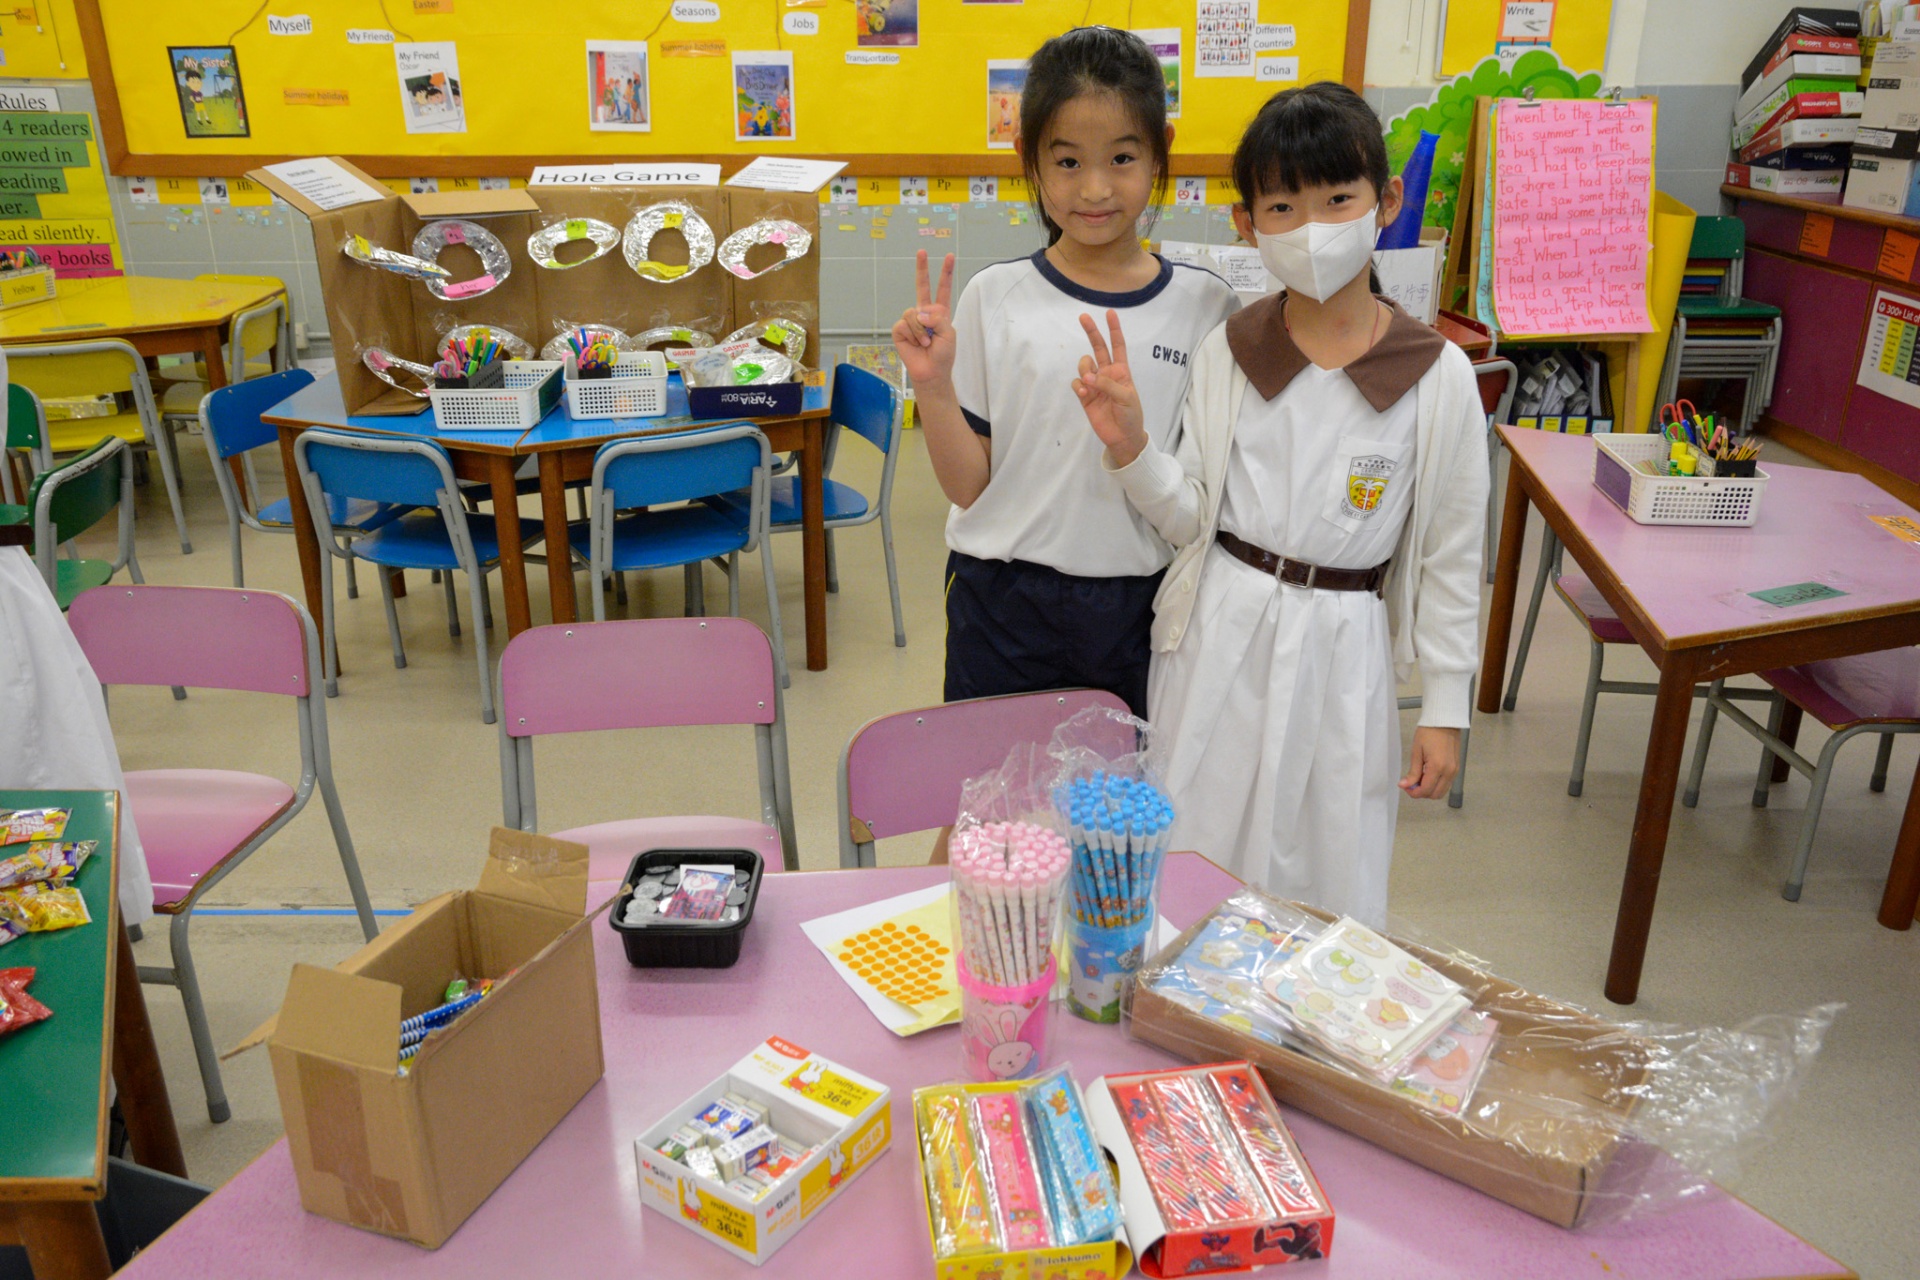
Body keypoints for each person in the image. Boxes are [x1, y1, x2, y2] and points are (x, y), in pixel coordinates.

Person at [1071, 82, 1487, 924]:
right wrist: (1132, 448)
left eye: (1338, 200)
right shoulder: (1232, 350)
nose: (1312, 229)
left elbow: (1453, 554)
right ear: (1247, 224)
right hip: (1223, 628)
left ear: (1387, 201)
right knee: (1197, 847)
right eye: (1283, 208)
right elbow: (1191, 518)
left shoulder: (1435, 374)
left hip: (1345, 644)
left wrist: (1446, 708)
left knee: (1331, 859)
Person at [892, 26, 1238, 732]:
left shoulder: (1206, 307)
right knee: (990, 788)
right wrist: (933, 387)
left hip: (1140, 606)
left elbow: (1203, 499)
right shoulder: (995, 297)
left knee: (1121, 795)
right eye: (1069, 161)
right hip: (1001, 603)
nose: (1096, 188)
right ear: (1030, 159)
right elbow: (968, 487)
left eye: (1122, 158)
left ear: (1161, 151)